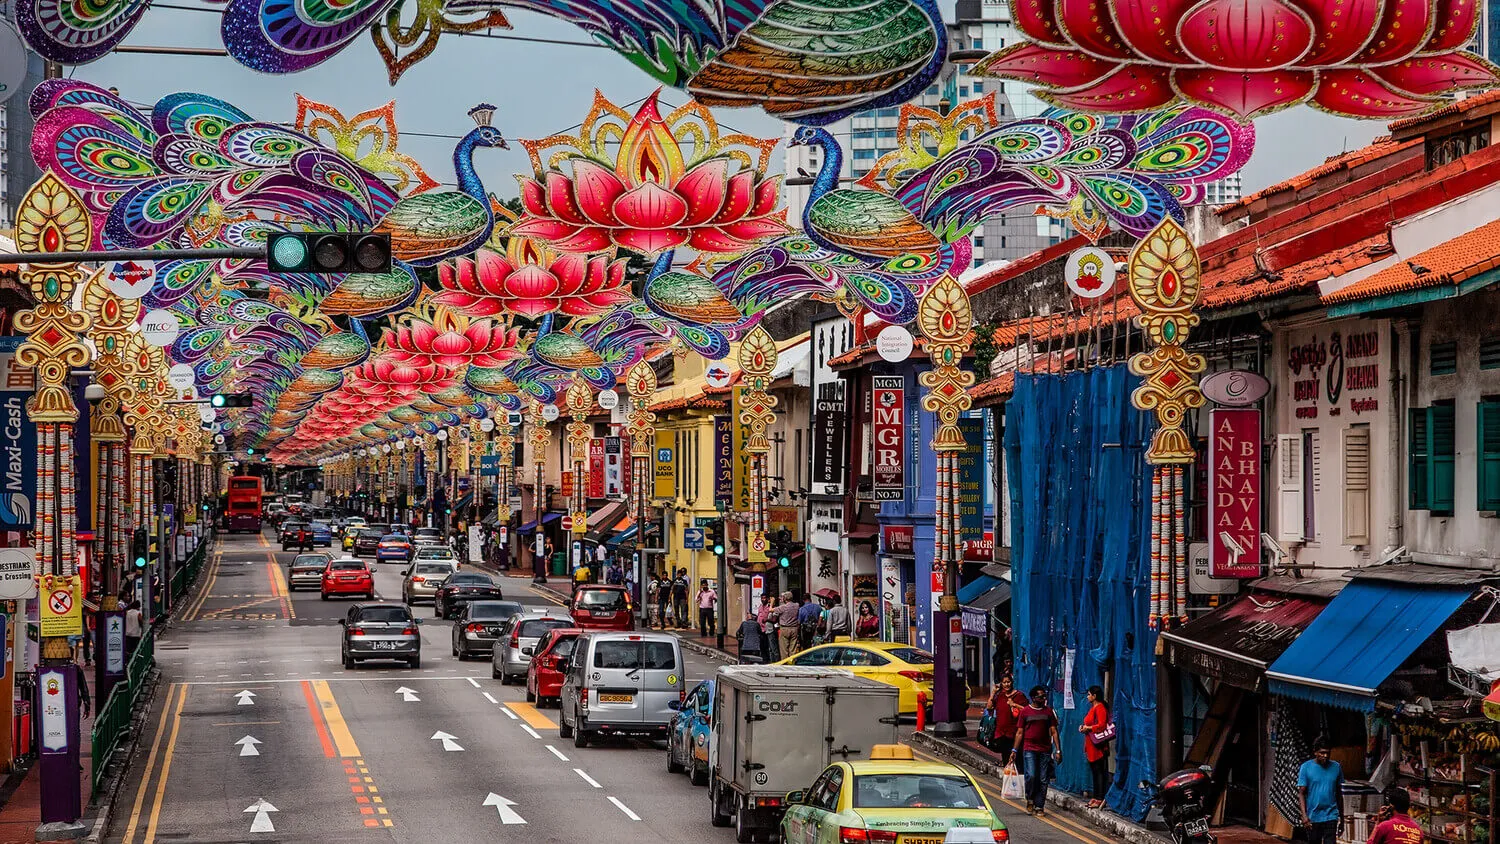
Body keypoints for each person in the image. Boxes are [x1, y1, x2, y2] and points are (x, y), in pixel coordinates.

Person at [1008, 685, 1062, 816]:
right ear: (1033, 698)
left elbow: (1054, 731)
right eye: (1041, 696)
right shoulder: (1025, 712)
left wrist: (1058, 750)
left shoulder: (1048, 712)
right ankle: (1030, 798)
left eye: (1044, 696)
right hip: (1029, 749)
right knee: (1031, 775)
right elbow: (1020, 732)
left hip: (1045, 750)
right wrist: (1014, 750)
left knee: (1043, 779)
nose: (1044, 698)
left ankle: (1039, 805)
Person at [1298, 736, 1345, 844]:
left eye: (1328, 753)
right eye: (1322, 753)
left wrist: (1342, 818)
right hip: (1313, 817)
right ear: (1315, 752)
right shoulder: (1306, 767)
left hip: (1331, 815)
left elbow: (1339, 794)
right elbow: (1301, 793)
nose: (1325, 756)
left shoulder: (1336, 767)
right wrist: (1304, 815)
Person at [1079, 686, 1111, 807]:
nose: (1088, 697)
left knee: (1099, 772)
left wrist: (1089, 728)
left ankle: (1100, 797)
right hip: (1091, 744)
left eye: (1089, 694)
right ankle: (1096, 796)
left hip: (1098, 746)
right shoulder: (1093, 708)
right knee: (1095, 771)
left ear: (1094, 696)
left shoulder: (1100, 708)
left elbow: (1102, 725)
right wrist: (1084, 728)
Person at [981, 674, 1026, 757]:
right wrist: (993, 692)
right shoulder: (999, 695)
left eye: (1008, 682)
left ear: (1012, 682)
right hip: (1001, 733)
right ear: (1001, 684)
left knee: (1016, 759)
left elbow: (1026, 710)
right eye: (1004, 682)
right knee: (1005, 757)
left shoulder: (1019, 696)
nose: (1006, 684)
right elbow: (989, 707)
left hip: (1014, 733)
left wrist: (1014, 705)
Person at [776, 591, 801, 659]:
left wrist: (772, 602)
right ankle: (792, 662)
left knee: (784, 649)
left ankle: (785, 663)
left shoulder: (783, 607)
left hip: (784, 628)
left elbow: (771, 610)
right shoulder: (796, 605)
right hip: (794, 628)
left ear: (785, 598)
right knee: (793, 648)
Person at [757, 594, 780, 661]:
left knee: (772, 646)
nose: (763, 599)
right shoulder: (760, 606)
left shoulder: (771, 607)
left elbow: (774, 619)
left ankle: (775, 660)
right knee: (763, 646)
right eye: (762, 598)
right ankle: (765, 659)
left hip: (769, 629)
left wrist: (766, 620)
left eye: (764, 598)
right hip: (761, 629)